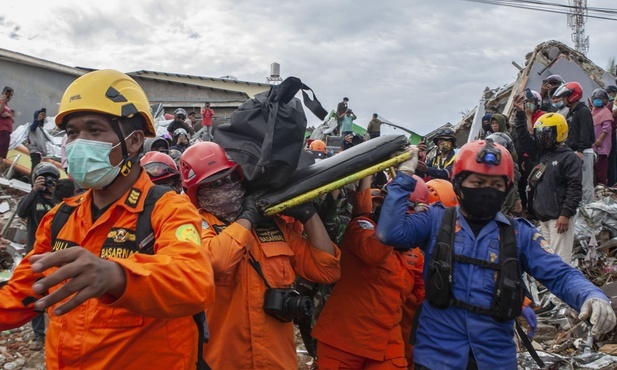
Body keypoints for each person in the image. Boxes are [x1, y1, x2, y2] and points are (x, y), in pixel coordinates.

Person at [0, 69, 215, 370]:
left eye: (94, 130)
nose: (78, 142)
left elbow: (194, 281)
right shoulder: (60, 218)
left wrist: (118, 276)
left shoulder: (168, 210)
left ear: (135, 140)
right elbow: (22, 294)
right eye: (72, 133)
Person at [376, 140, 615, 369]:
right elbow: (390, 233)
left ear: (506, 190)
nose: (486, 191)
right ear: (458, 184)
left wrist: (591, 295)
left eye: (496, 185)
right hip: (437, 354)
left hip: (494, 357)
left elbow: (560, 274)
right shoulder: (435, 219)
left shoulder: (520, 234)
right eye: (477, 183)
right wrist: (404, 177)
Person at [178, 141, 341, 370]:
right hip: (222, 361)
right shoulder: (191, 224)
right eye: (213, 184)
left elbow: (327, 270)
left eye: (228, 179)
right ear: (197, 192)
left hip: (276, 361)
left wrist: (308, 215)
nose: (225, 187)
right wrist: (248, 217)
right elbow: (216, 262)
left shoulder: (273, 226)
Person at [312, 174, 426, 369]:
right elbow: (373, 253)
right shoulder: (362, 227)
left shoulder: (415, 253)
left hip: (386, 342)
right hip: (343, 339)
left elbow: (424, 298)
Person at [514, 106, 582, 264]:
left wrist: (565, 214)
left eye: (547, 134)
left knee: (560, 263)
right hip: (544, 218)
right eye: (541, 134)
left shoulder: (569, 158)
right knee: (549, 262)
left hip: (559, 219)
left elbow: (575, 188)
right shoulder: (543, 153)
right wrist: (520, 114)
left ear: (559, 133)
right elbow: (524, 139)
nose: (543, 138)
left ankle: (561, 290)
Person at [15, 163, 60, 350]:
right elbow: (21, 212)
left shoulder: (61, 201)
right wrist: (34, 191)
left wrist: (57, 193)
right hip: (36, 255)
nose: (48, 182)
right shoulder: (33, 199)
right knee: (37, 295)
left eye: (52, 179)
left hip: (57, 255)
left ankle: (59, 333)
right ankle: (38, 335)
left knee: (58, 293)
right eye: (45, 178)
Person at [553, 81, 595, 204]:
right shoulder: (573, 112)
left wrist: (581, 151)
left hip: (584, 152)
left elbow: (585, 133)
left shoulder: (583, 111)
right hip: (574, 151)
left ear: (573, 95)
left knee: (586, 184)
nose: (563, 99)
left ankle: (588, 210)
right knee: (576, 182)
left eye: (565, 96)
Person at [591, 89, 613, 186]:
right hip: (594, 146)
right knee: (594, 169)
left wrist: (600, 139)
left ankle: (602, 188)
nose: (598, 101)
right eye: (596, 99)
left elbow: (607, 129)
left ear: (605, 100)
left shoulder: (605, 112)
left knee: (601, 170)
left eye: (601, 99)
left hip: (601, 147)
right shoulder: (594, 111)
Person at [0, 86, 15, 161]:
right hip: (2, 130)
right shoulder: (1, 102)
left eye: (11, 95)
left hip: (7, 132)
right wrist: (3, 100)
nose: (10, 96)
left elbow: (13, 120)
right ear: (4, 93)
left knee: (2, 155)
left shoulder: (7, 106)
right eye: (8, 94)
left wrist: (8, 115)